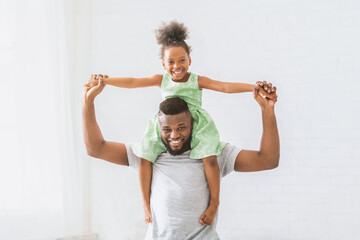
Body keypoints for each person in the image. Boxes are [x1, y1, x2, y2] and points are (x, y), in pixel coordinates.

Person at [84, 20, 276, 225]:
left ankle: (214, 203)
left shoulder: (196, 80)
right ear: (164, 65)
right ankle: (145, 205)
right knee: (144, 156)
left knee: (209, 158)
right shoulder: (161, 80)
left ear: (190, 60)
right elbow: (133, 82)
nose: (177, 67)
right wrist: (105, 81)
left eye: (182, 60)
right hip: (167, 119)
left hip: (196, 123)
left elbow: (224, 87)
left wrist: (253, 88)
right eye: (172, 62)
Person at [82, 76, 279, 239]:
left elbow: (267, 160)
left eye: (182, 128)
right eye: (166, 129)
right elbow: (96, 148)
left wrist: (267, 110)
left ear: (193, 124)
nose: (174, 136)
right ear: (158, 128)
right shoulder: (149, 155)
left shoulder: (213, 153)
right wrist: (88, 102)